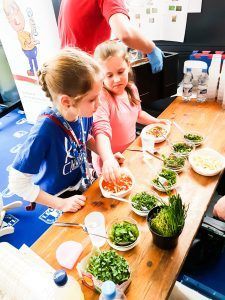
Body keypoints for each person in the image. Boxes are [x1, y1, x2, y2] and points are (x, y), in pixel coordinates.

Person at [8, 47, 103, 213]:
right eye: (93, 99)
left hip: (79, 181)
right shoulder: (44, 131)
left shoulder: (83, 111)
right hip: (57, 196)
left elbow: (84, 137)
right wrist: (61, 204)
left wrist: (106, 155)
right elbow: (17, 183)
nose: (99, 104)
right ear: (66, 102)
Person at [92, 40, 169, 182]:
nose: (116, 79)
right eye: (109, 75)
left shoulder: (131, 88)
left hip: (130, 151)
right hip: (109, 160)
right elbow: (100, 131)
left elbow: (137, 114)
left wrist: (156, 121)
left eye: (120, 72)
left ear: (128, 65)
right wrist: (108, 158)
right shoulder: (102, 97)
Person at [58, 0, 163, 73]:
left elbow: (82, 28)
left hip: (66, 70)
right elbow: (125, 34)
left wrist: (138, 44)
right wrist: (150, 48)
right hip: (86, 75)